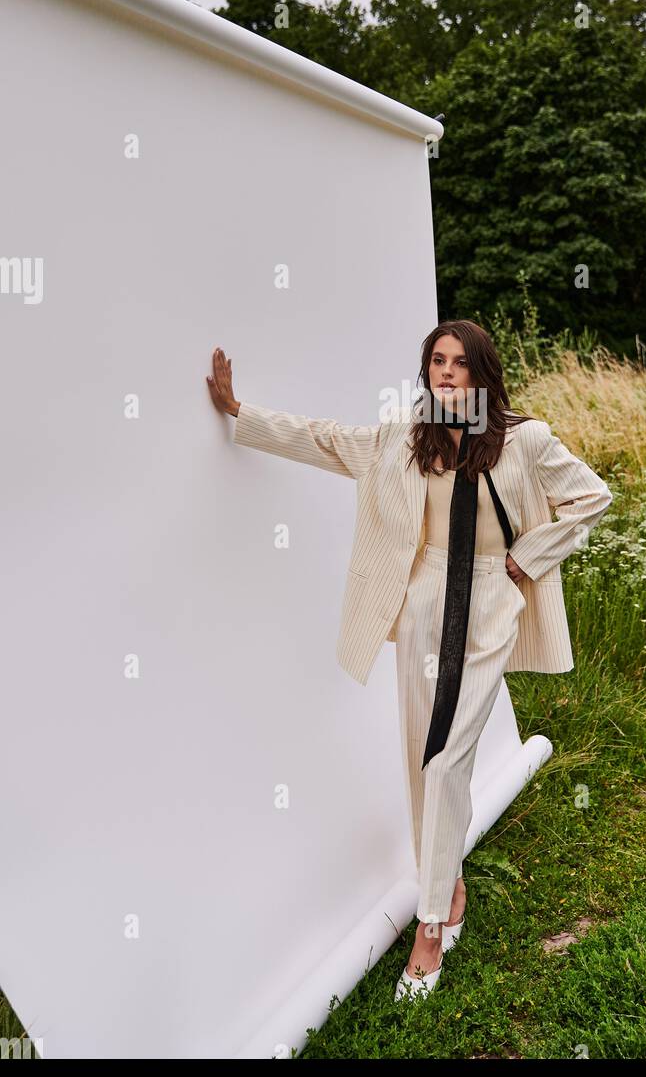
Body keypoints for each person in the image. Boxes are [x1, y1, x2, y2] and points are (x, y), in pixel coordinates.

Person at [207, 319, 613, 1002]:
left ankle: (430, 928)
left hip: (488, 602)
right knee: (421, 755)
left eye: (458, 362)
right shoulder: (406, 436)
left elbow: (592, 497)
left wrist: (525, 560)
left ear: (482, 372)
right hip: (424, 602)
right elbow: (327, 441)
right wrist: (242, 414)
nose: (445, 372)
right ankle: (446, 885)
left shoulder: (524, 440)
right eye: (435, 361)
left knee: (450, 758)